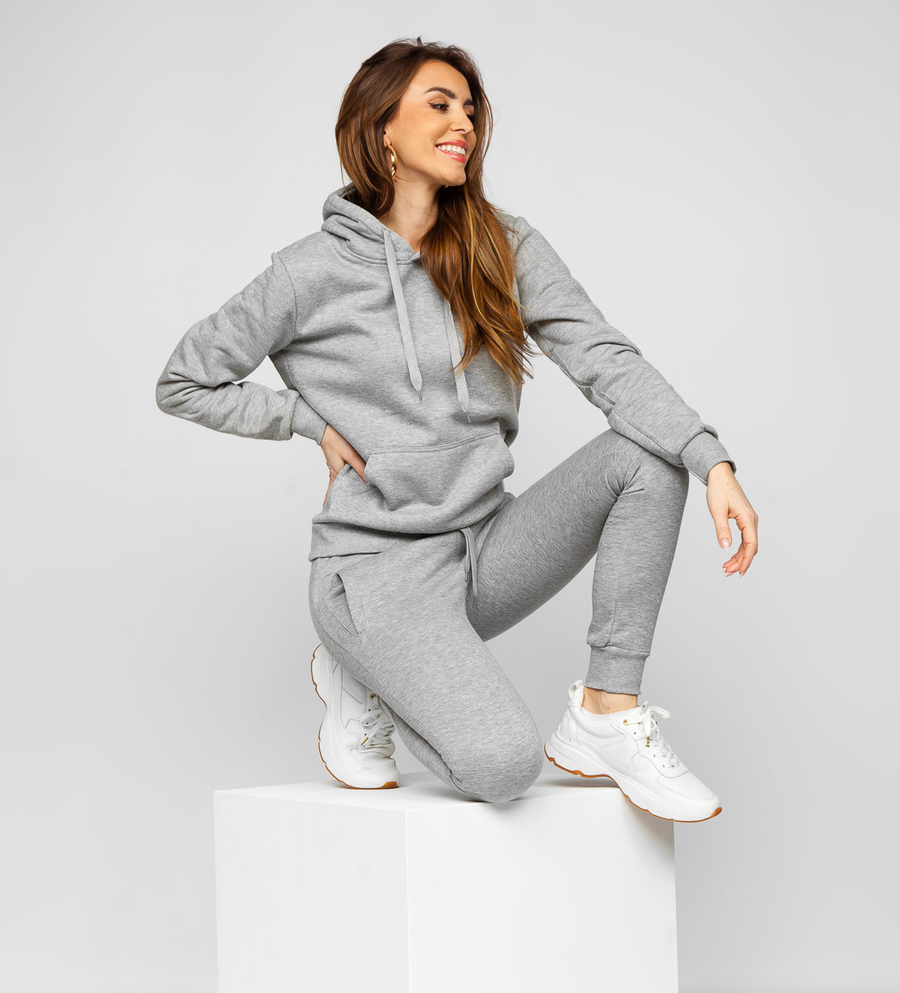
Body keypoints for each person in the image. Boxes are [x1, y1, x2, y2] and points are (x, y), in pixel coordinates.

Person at [156, 38, 758, 821]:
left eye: (470, 109)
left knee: (648, 457)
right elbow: (183, 380)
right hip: (374, 573)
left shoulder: (502, 245)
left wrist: (712, 461)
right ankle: (356, 659)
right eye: (438, 105)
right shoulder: (308, 273)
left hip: (484, 545)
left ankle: (606, 711)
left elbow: (603, 357)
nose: (463, 124)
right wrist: (302, 419)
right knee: (503, 767)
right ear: (382, 129)